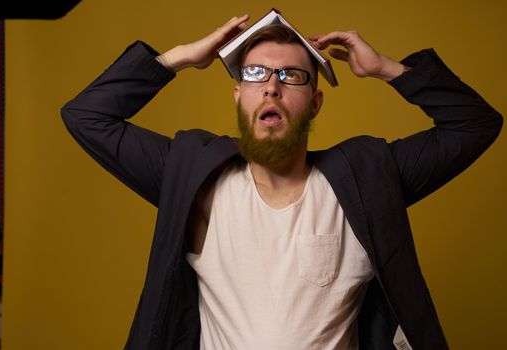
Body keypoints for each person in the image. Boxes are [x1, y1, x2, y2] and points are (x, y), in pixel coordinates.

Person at [61, 14, 502, 350]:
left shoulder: (368, 177)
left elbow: (475, 125)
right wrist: (179, 58)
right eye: (255, 74)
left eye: (291, 75)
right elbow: (86, 116)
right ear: (239, 95)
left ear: (315, 102)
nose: (271, 86)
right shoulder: (193, 175)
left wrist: (387, 68)